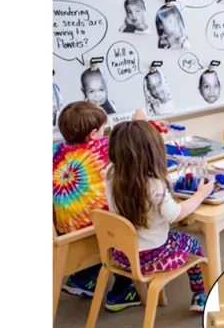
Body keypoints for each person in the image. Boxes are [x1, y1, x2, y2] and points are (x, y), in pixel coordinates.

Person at [54, 102, 155, 312]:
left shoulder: (57, 151)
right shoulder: (101, 148)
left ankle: (84, 278)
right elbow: (134, 138)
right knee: (131, 216)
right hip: (94, 231)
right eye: (101, 129)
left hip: (63, 231)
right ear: (93, 134)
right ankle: (123, 290)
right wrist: (139, 119)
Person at [105, 120, 214, 312]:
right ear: (152, 151)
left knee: (172, 238)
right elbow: (176, 215)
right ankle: (200, 295)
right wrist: (200, 195)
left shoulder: (110, 173)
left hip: (121, 255)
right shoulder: (153, 185)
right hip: (150, 259)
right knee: (193, 244)